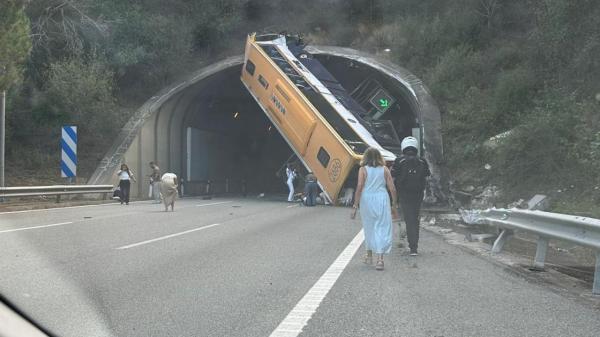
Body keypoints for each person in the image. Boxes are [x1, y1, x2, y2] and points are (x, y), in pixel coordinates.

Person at [351, 147, 397, 270]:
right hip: (382, 198)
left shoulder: (363, 170)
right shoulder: (385, 169)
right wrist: (394, 204)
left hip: (367, 199)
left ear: (365, 157)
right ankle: (380, 260)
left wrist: (355, 206)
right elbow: (392, 188)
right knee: (382, 227)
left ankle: (369, 255)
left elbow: (360, 186)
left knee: (369, 226)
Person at [391, 136, 431, 256]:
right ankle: (415, 246)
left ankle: (412, 247)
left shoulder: (399, 161)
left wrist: (393, 197)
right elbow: (427, 175)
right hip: (418, 193)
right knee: (415, 217)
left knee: (409, 218)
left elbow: (393, 175)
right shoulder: (422, 161)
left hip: (404, 193)